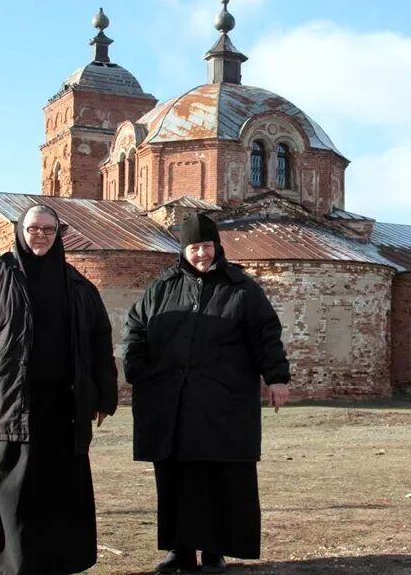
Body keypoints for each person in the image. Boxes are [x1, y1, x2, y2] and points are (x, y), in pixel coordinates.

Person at [0, 203, 118, 575]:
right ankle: (9, 564)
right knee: (12, 488)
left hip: (63, 406)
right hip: (6, 400)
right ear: (20, 232)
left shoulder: (78, 284)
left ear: (59, 235)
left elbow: (100, 338)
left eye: (48, 230)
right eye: (33, 229)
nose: (40, 235)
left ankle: (54, 563)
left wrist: (104, 395)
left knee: (56, 489)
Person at [124, 213, 290, 574]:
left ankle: (215, 551)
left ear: (218, 248)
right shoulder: (162, 287)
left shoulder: (242, 289)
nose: (202, 254)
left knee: (220, 475)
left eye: (207, 247)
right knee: (175, 476)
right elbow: (135, 328)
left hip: (223, 401)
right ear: (183, 250)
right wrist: (137, 369)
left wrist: (277, 378)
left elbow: (267, 333)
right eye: (194, 247)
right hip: (171, 400)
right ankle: (179, 551)